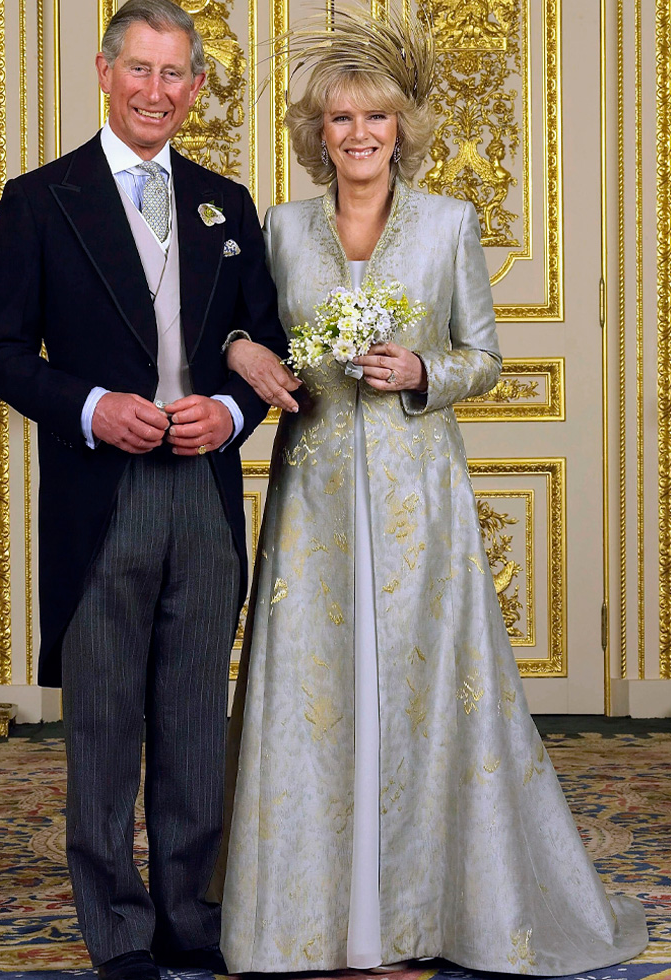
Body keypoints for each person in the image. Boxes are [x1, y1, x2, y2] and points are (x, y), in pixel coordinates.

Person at [218, 8, 648, 976]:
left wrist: (421, 370)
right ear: (317, 133)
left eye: (374, 118)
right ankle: (303, 922)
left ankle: (419, 914)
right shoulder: (281, 228)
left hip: (420, 498)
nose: (359, 134)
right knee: (315, 693)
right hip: (313, 496)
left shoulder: (449, 223)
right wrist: (246, 351)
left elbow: (483, 358)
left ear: (400, 128)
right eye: (340, 119)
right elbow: (243, 332)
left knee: (417, 690)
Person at [0, 1, 293, 978]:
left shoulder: (225, 202)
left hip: (202, 490)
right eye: (141, 70)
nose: (157, 91)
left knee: (194, 720)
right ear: (105, 73)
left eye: (175, 74)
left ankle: (188, 915)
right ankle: (116, 927)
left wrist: (231, 413)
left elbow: (263, 344)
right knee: (105, 723)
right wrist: (90, 405)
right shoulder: (40, 199)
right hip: (100, 494)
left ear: (195, 87)